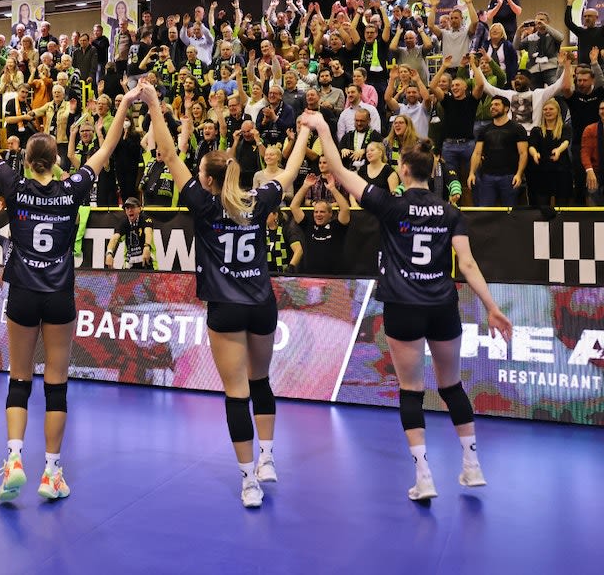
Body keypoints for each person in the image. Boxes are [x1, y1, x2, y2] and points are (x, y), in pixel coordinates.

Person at [0, 70, 142, 504]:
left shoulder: (13, 187)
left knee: (19, 378)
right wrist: (124, 104)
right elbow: (106, 149)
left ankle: (14, 459)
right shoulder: (72, 188)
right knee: (57, 383)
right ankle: (52, 471)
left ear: (27, 161)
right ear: (55, 160)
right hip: (59, 296)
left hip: (22, 293)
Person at [299, 112, 511, 502]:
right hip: (442, 305)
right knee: (452, 386)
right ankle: (471, 465)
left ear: (402, 169)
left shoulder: (391, 205)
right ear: (432, 172)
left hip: (402, 305)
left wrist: (325, 130)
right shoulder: (451, 212)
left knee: (411, 390)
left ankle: (424, 475)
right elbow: (467, 264)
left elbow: (344, 173)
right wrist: (493, 307)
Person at [152, 89, 312, 507]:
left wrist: (154, 105)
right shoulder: (257, 202)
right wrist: (305, 134)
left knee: (236, 391)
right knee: (261, 381)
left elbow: (169, 156)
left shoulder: (204, 206)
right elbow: (291, 171)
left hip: (225, 309)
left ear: (206, 178)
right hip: (262, 304)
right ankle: (268, 458)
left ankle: (247, 481)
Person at [468, 95, 528, 207]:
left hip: (509, 177)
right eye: (491, 105)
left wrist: (519, 174)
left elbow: (523, 153)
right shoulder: (484, 130)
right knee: (484, 213)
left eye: (496, 104)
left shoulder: (517, 128)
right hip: (487, 177)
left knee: (510, 213)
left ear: (506, 108)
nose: (492, 107)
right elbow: (477, 153)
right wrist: (471, 173)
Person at [105, 198, 153, 270]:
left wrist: (147, 246)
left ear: (139, 209)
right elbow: (115, 238)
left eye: (132, 207)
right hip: (130, 263)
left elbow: (148, 232)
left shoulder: (146, 219)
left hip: (147, 260)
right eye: (127, 208)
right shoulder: (123, 222)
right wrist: (109, 253)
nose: (130, 210)